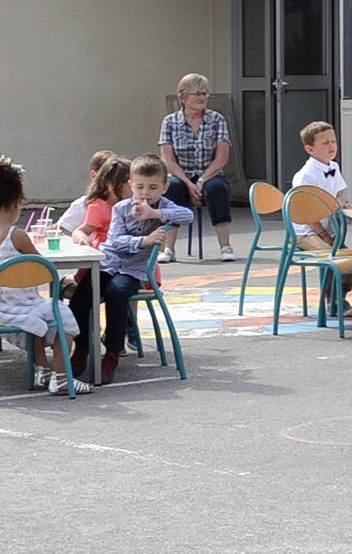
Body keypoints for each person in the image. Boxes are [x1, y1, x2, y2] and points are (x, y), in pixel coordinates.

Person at [0, 159, 93, 396]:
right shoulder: (17, 235)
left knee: (38, 314)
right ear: (17, 203)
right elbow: (42, 268)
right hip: (17, 305)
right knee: (62, 315)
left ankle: (42, 370)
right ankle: (62, 378)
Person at [69, 154, 193, 384]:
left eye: (153, 188)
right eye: (139, 187)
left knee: (117, 294)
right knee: (80, 297)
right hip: (108, 263)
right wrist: (144, 240)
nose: (145, 193)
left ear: (164, 188)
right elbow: (115, 241)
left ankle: (112, 353)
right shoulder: (121, 208)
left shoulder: (164, 206)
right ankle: (82, 346)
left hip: (134, 270)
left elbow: (188, 215)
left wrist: (156, 214)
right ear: (130, 185)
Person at [159, 73, 234, 263]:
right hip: (181, 175)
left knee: (217, 188)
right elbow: (169, 161)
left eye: (205, 93)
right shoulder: (170, 122)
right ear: (183, 97)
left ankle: (225, 246)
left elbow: (222, 158)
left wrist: (201, 181)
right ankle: (169, 248)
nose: (202, 97)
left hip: (210, 174)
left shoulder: (217, 119)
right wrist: (188, 183)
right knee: (171, 187)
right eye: (197, 94)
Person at [291, 121, 352, 318]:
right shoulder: (305, 176)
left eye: (333, 141)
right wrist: (324, 235)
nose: (332, 146)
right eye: (325, 143)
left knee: (351, 258)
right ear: (310, 149)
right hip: (306, 232)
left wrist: (342, 203)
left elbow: (339, 194)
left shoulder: (333, 166)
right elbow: (305, 213)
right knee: (332, 256)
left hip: (328, 229)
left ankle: (340, 296)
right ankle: (331, 301)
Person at [70, 157, 131, 248]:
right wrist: (83, 238)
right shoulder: (99, 207)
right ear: (111, 185)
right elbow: (79, 231)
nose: (135, 188)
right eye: (129, 184)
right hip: (107, 252)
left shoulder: (134, 204)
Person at [58, 150, 118, 235]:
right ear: (94, 176)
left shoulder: (125, 204)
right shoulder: (82, 205)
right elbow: (59, 229)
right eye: (108, 176)